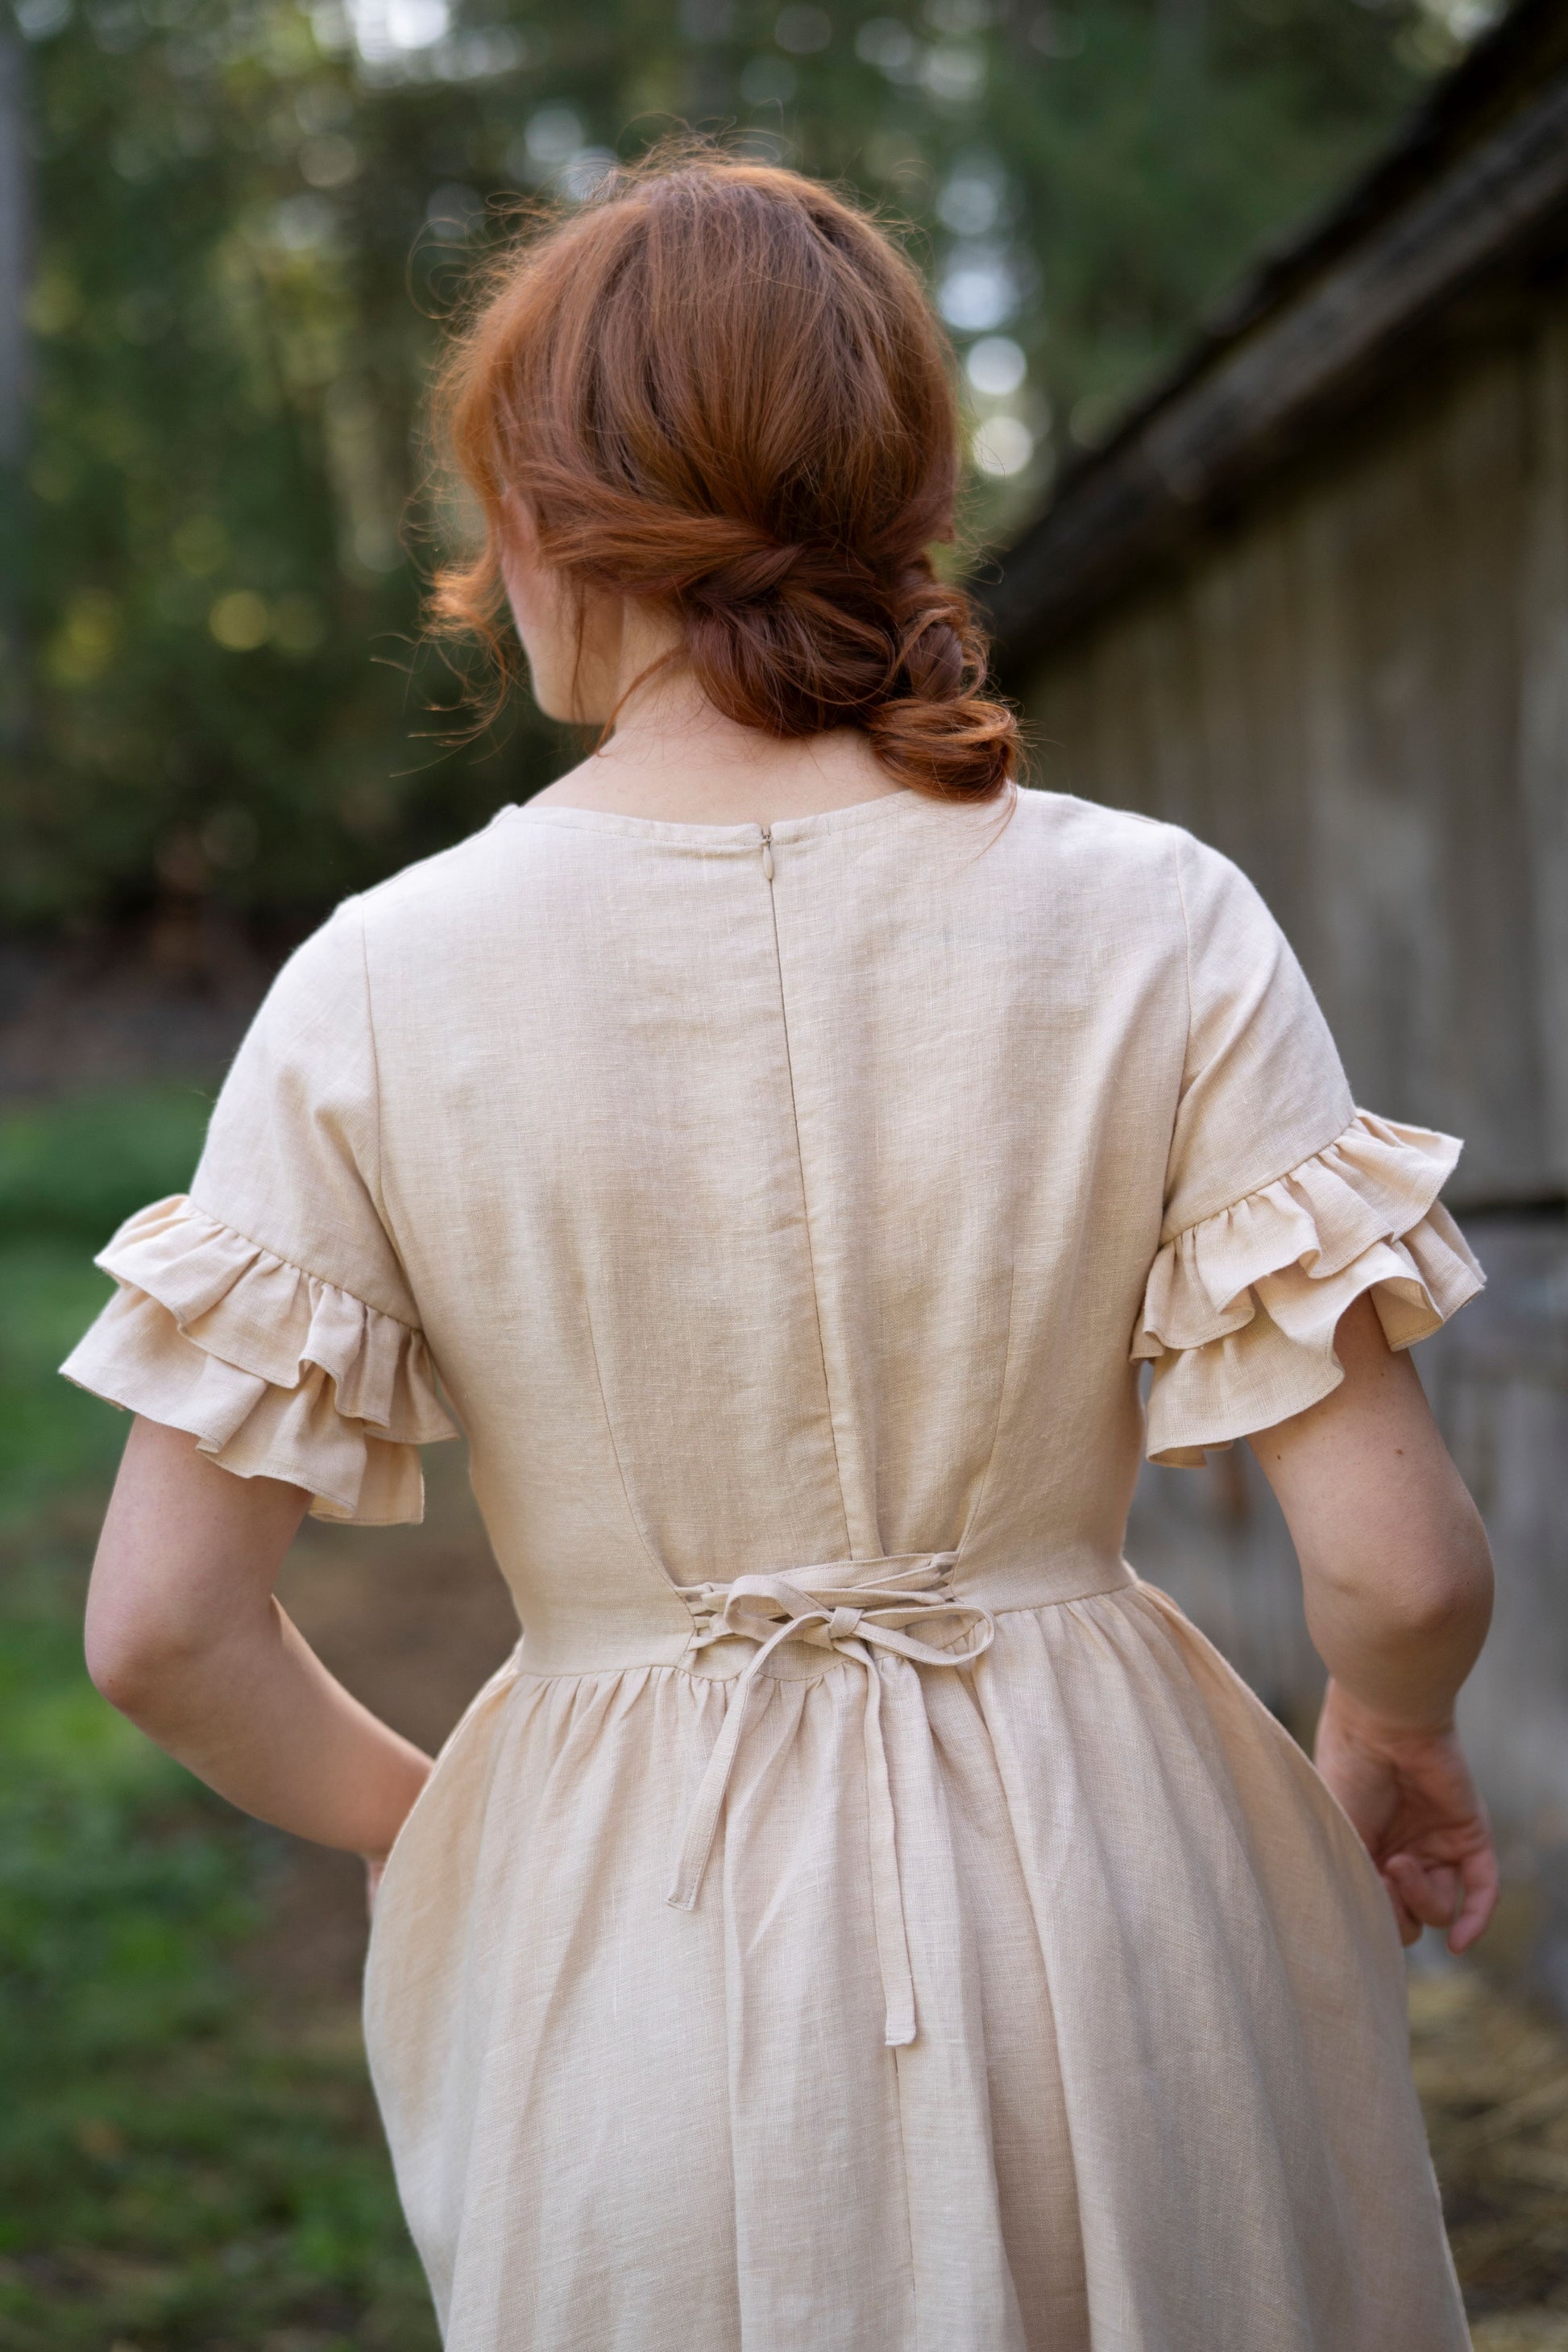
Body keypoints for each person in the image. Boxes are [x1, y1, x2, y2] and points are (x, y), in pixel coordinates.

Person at [64, 151, 1498, 2351]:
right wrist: (1386, 1733)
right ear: (902, 497)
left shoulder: (376, 981)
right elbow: (1397, 1570)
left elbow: (169, 1628)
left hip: (631, 1924)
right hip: (1124, 1910)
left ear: (542, 522)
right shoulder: (1154, 912)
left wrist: (445, 1832)